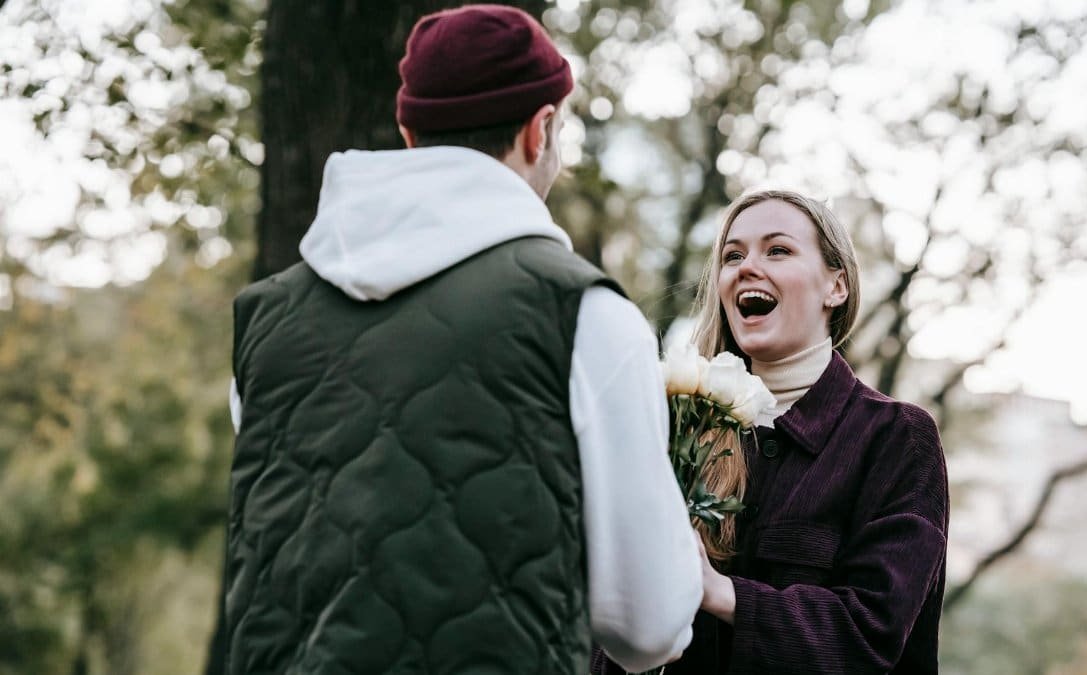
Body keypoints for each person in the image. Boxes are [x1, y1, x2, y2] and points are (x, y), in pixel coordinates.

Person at [223, 5, 701, 673]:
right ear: (540, 132)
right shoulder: (585, 314)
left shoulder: (265, 322)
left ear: (408, 130)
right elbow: (647, 622)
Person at [594, 190, 949, 674]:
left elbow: (871, 634)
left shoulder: (895, 438)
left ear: (836, 286)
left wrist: (719, 591)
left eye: (777, 250)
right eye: (732, 255)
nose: (746, 267)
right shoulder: (674, 424)